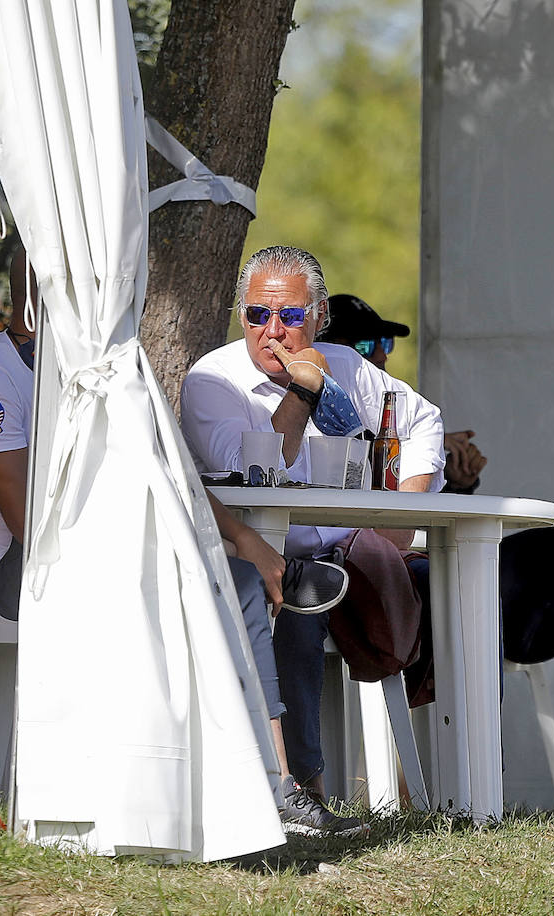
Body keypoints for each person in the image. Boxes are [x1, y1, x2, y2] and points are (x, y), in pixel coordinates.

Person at [0, 250, 351, 836]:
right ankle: (264, 785)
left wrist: (243, 540)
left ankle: (264, 783)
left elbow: (167, 472)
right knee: (222, 587)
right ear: (44, 303)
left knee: (237, 577)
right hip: (18, 577)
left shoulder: (84, 373)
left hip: (76, 564)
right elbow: (29, 526)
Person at [320, 291, 554, 820]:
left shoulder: (402, 413)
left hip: (459, 589)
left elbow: (436, 527)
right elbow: (384, 531)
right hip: (399, 594)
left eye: (384, 343)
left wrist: (460, 482)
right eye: (366, 343)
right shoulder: (321, 425)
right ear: (329, 351)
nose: (380, 354)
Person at [180, 247, 447, 827]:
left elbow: (422, 421)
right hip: (263, 562)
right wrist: (302, 392)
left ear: (319, 318)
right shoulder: (213, 380)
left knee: (459, 593)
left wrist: (400, 516)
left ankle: (458, 792)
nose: (272, 331)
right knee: (296, 611)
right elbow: (256, 473)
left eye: (291, 317)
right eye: (256, 315)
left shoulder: (346, 366)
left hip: (349, 555)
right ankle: (308, 792)